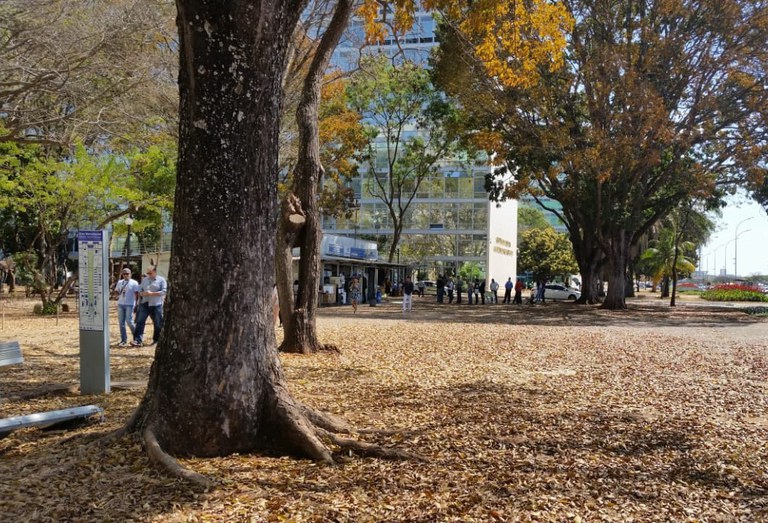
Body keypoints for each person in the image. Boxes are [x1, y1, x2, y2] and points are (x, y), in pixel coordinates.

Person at [132, 265, 167, 347]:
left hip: (156, 304)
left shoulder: (161, 280)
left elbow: (164, 291)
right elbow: (139, 290)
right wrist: (142, 293)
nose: (148, 274)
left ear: (155, 272)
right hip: (145, 303)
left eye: (150, 273)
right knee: (140, 321)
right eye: (147, 273)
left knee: (158, 323)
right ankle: (137, 340)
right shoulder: (145, 280)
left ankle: (156, 340)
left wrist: (152, 294)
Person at [114, 267, 140, 347]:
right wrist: (116, 293)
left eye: (127, 274)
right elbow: (117, 290)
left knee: (129, 322)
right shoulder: (120, 282)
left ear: (130, 274)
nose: (125, 275)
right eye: (124, 274)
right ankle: (123, 340)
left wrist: (136, 304)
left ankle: (137, 338)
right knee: (121, 323)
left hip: (130, 304)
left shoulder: (134, 283)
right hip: (121, 304)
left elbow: (137, 294)